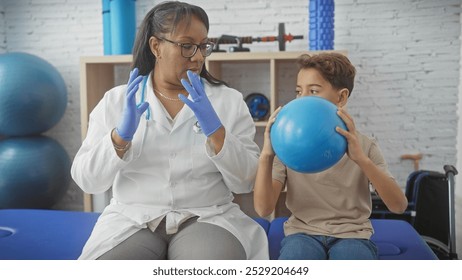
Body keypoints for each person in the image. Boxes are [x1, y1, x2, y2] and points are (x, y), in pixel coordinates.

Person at [71, 1, 268, 260]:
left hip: (207, 216)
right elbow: (88, 180)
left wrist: (217, 133)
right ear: (156, 46)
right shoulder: (117, 101)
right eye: (187, 46)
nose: (198, 56)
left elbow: (246, 182)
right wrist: (120, 137)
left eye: (203, 46)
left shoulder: (227, 101)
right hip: (132, 218)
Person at [253, 52, 408, 260]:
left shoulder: (365, 146)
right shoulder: (287, 145)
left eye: (314, 91)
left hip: (352, 235)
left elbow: (398, 206)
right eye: (299, 92)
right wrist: (267, 155)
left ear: (341, 97)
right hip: (302, 233)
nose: (302, 100)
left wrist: (361, 159)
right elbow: (263, 209)